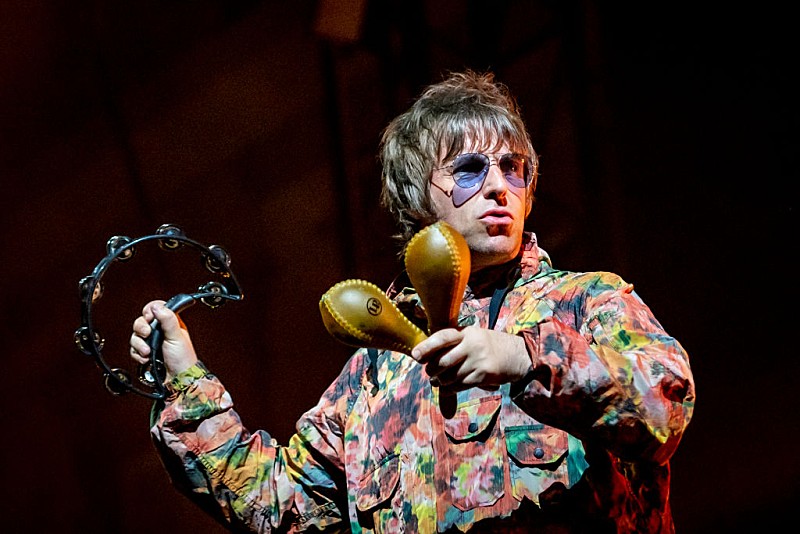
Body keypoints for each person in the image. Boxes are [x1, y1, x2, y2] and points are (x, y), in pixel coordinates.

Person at [129, 70, 695, 533]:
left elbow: (666, 407)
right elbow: (278, 506)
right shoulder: (373, 374)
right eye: (469, 170)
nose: (498, 186)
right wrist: (185, 379)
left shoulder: (587, 301)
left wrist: (527, 358)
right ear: (418, 199)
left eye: (513, 168)